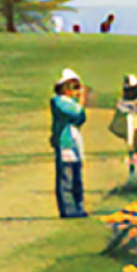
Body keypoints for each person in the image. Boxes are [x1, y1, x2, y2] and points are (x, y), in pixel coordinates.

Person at [50, 68, 91, 219]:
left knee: (76, 178)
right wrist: (81, 100)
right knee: (66, 179)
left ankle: (78, 207)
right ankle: (68, 210)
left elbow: (81, 117)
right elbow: (75, 112)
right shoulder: (58, 101)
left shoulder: (71, 102)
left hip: (75, 144)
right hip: (65, 144)